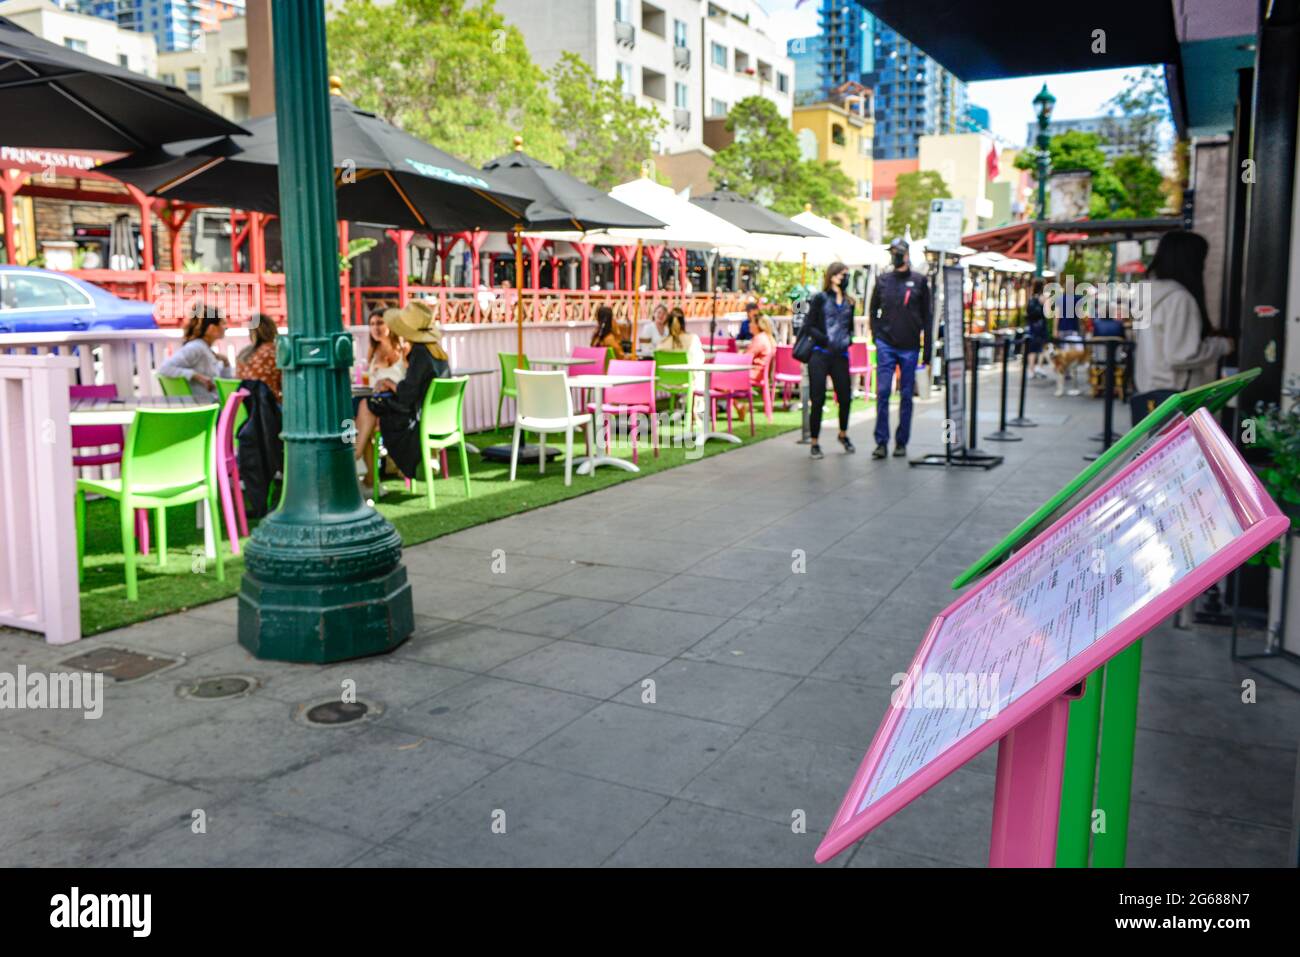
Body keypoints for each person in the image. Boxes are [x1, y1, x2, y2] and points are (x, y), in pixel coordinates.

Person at [353, 301, 450, 497]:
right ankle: (363, 470)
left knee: (366, 406)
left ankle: (355, 459)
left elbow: (406, 393)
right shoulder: (437, 352)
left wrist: (389, 383)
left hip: (416, 422)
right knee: (366, 406)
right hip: (436, 420)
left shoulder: (419, 353)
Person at [1132, 230, 1233, 405]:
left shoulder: (1148, 293)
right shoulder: (1179, 298)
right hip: (1176, 395)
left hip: (1150, 392)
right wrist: (1223, 346)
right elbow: (1181, 356)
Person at [867, 239, 931, 459]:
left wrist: (928, 351)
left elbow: (927, 317)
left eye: (898, 252)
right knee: (883, 392)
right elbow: (872, 310)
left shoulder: (920, 282)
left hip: (910, 346)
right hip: (886, 343)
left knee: (906, 395)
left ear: (906, 255)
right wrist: (877, 336)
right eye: (893, 252)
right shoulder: (883, 280)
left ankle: (901, 441)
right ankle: (881, 442)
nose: (895, 256)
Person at [804, 262, 857, 459]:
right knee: (817, 399)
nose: (845, 279)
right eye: (843, 275)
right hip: (820, 354)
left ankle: (843, 433)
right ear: (833, 276)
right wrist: (824, 339)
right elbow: (809, 325)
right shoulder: (820, 298)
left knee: (845, 397)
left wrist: (847, 339)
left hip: (840, 356)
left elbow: (849, 326)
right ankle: (815, 441)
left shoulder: (850, 302)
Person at [159, 303, 231, 404]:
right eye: (223, 324)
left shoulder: (205, 349)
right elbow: (164, 368)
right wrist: (197, 376)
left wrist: (226, 362)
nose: (226, 328)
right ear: (212, 328)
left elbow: (224, 382)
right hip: (206, 408)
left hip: (212, 405)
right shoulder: (196, 347)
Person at [735, 312, 775, 421]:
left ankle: (737, 406)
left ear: (758, 325)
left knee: (720, 379)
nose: (749, 325)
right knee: (722, 379)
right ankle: (738, 406)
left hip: (754, 374)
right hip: (757, 372)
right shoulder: (764, 337)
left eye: (751, 322)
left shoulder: (759, 339)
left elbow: (745, 358)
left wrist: (740, 354)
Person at [656, 306, 705, 394]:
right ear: (683, 323)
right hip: (688, 383)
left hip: (666, 384)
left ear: (668, 324)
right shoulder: (693, 339)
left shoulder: (662, 343)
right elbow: (699, 362)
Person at [235, 313, 282, 402]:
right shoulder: (275, 351)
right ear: (273, 329)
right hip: (270, 408)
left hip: (247, 408)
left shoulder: (243, 354)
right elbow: (286, 383)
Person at [366, 307, 407, 390]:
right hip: (375, 397)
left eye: (380, 323)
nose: (375, 328)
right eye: (372, 324)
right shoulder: (372, 349)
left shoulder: (403, 349)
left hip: (399, 398)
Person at [1024, 279, 1049, 379]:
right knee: (1043, 347)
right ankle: (1039, 366)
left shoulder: (1030, 298)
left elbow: (1027, 313)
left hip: (1032, 326)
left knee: (1032, 349)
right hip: (1041, 325)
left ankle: (1031, 370)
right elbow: (1047, 313)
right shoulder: (1044, 298)